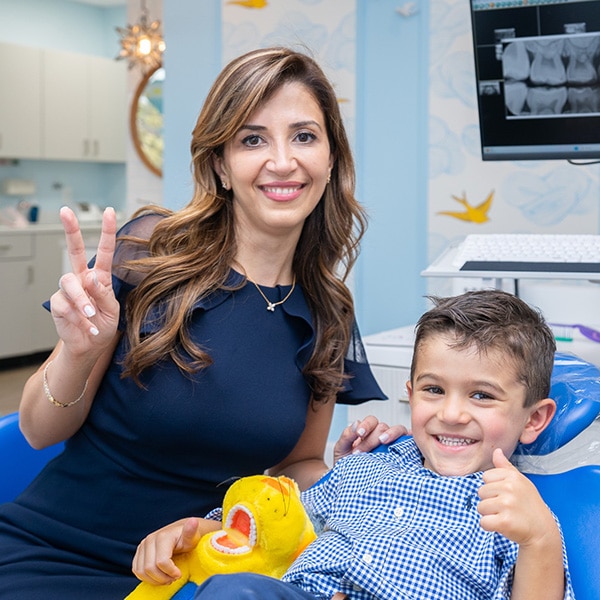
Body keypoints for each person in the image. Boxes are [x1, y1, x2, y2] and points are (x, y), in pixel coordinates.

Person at [0, 47, 405, 599]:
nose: (282, 161)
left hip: (192, 575)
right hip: (54, 553)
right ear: (220, 164)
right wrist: (77, 352)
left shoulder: (328, 311)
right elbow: (37, 430)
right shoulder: (149, 253)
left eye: (305, 136)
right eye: (253, 139)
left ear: (331, 158)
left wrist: (350, 478)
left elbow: (298, 462)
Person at [140, 290, 575, 600]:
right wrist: (196, 531)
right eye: (433, 390)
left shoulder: (517, 514)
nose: (452, 413)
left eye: (482, 395)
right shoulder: (364, 467)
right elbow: (275, 526)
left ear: (534, 419)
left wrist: (538, 538)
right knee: (232, 591)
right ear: (410, 393)